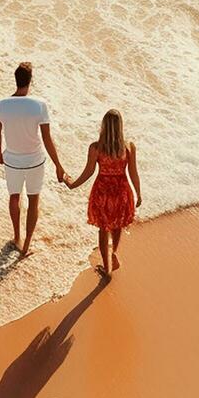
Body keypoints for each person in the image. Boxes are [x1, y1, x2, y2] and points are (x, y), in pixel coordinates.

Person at [0, 62, 65, 257]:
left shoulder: (0, 105)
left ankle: (17, 237)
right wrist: (58, 165)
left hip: (12, 160)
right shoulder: (39, 105)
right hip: (35, 160)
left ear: (15, 80)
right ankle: (27, 245)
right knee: (34, 200)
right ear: (30, 81)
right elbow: (47, 138)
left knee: (14, 197)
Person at [65, 109, 141, 277]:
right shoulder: (128, 147)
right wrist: (138, 193)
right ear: (120, 126)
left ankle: (106, 268)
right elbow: (134, 172)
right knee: (117, 225)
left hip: (102, 191)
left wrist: (72, 184)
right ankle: (113, 253)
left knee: (103, 229)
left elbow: (89, 171)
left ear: (104, 125)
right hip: (122, 190)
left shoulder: (96, 147)